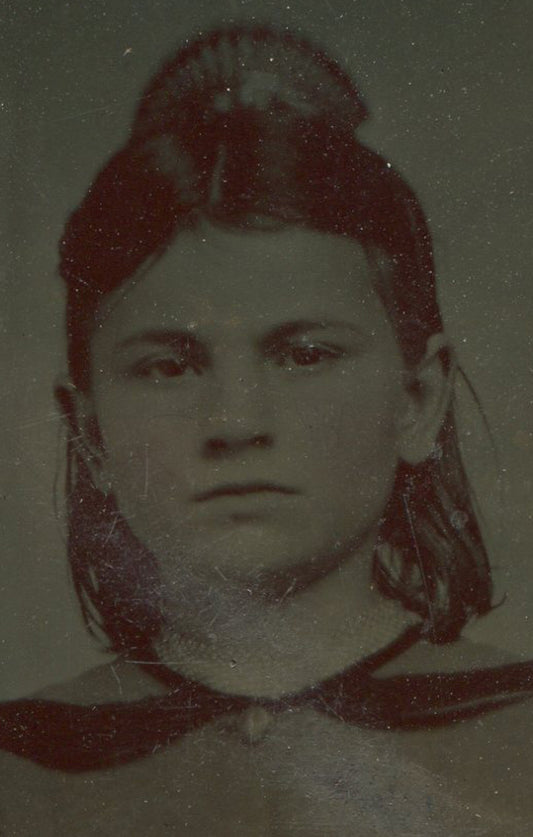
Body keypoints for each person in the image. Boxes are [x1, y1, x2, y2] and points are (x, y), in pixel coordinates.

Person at [1, 24, 532, 836]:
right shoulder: (20, 772)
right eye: (168, 367)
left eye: (305, 354)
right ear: (90, 435)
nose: (237, 422)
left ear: (417, 400)